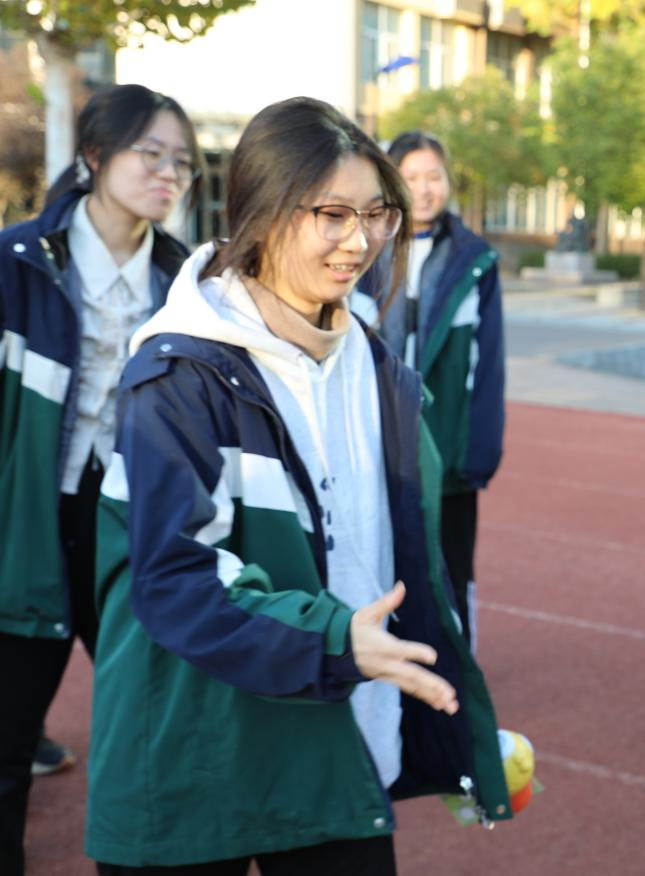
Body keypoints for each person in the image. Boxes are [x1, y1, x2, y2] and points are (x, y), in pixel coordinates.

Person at [87, 97, 510, 875]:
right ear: (263, 212)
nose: (361, 241)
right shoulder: (178, 375)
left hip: (332, 740)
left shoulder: (375, 368)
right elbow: (176, 577)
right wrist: (335, 638)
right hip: (196, 753)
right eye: (333, 215)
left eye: (376, 214)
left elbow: (404, 560)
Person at [0, 83, 196, 875]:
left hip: (130, 528)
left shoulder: (187, 282)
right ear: (94, 156)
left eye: (181, 161)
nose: (168, 173)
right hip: (26, 521)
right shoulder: (17, 263)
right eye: (150, 153)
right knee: (6, 741)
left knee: (157, 733)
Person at [353, 131, 505, 653]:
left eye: (433, 176)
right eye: (410, 177)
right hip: (377, 445)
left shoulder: (474, 260)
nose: (423, 188)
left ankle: (459, 665)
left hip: (447, 447)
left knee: (453, 567)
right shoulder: (361, 250)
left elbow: (489, 364)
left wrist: (478, 452)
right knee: (384, 559)